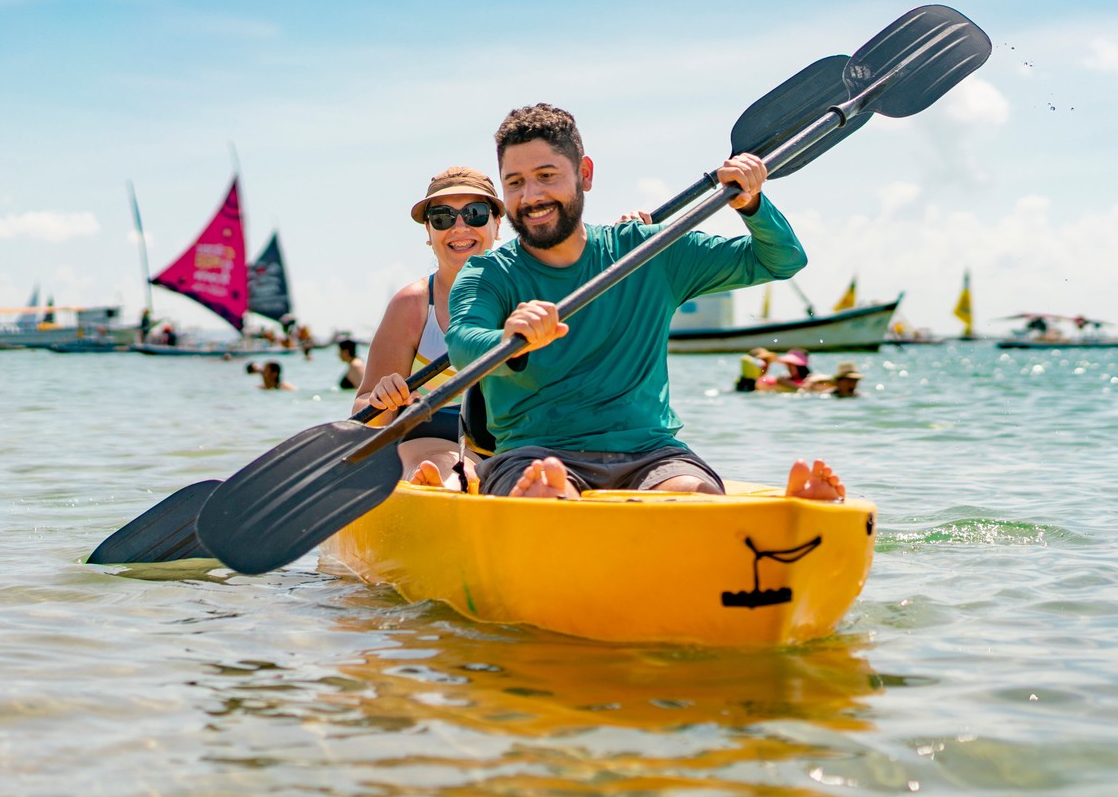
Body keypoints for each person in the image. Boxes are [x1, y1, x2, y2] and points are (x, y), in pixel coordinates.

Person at [447, 103, 844, 502]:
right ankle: (550, 501)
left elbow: (781, 260)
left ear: (584, 174)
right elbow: (463, 343)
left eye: (546, 176)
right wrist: (508, 341)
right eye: (514, 182)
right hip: (533, 454)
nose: (530, 196)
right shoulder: (488, 273)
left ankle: (785, 523)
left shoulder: (647, 250)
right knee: (547, 493)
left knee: (694, 492)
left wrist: (753, 204)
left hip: (651, 454)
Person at [354, 167, 505, 489]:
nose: (459, 226)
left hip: (515, 439)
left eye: (474, 213)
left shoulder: (536, 292)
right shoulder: (412, 305)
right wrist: (382, 402)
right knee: (444, 467)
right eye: (442, 217)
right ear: (429, 230)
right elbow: (364, 414)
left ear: (497, 222)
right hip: (434, 438)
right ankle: (443, 488)